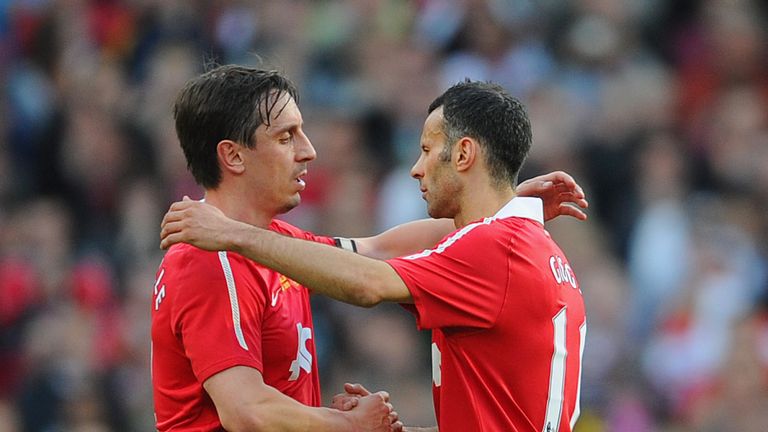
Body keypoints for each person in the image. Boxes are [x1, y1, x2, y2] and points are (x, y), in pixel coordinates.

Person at [156, 66, 587, 431]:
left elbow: (369, 271)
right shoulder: (222, 256)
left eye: (425, 150)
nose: (309, 152)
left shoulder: (252, 246)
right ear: (233, 156)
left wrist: (497, 210)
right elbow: (245, 410)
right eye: (288, 137)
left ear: (464, 155)